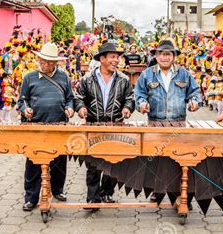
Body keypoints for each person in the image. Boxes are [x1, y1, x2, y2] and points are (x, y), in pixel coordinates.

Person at [135, 39, 201, 206]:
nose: (164, 57)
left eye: (168, 54)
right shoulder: (147, 74)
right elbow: (139, 94)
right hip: (155, 124)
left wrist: (194, 102)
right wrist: (142, 104)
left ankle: (180, 195)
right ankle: (157, 191)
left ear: (173, 56)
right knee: (157, 160)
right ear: (156, 56)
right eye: (161, 54)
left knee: (178, 160)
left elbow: (194, 92)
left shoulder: (184, 74)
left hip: (178, 124)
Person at [74, 42, 134, 206]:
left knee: (113, 162)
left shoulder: (123, 80)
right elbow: (78, 98)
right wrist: (80, 109)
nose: (116, 60)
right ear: (102, 58)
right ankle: (92, 197)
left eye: (117, 57)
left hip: (115, 125)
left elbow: (130, 98)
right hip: (93, 125)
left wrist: (128, 108)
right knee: (93, 164)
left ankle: (107, 193)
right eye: (113, 57)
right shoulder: (87, 79)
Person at [18, 43, 74, 211]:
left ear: (56, 63)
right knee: (33, 162)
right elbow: (22, 100)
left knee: (59, 161)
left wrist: (70, 108)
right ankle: (31, 197)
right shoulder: (29, 77)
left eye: (50, 62)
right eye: (43, 61)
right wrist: (24, 109)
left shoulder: (64, 77)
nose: (46, 65)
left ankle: (58, 190)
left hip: (59, 125)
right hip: (36, 126)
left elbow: (70, 97)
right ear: (38, 59)